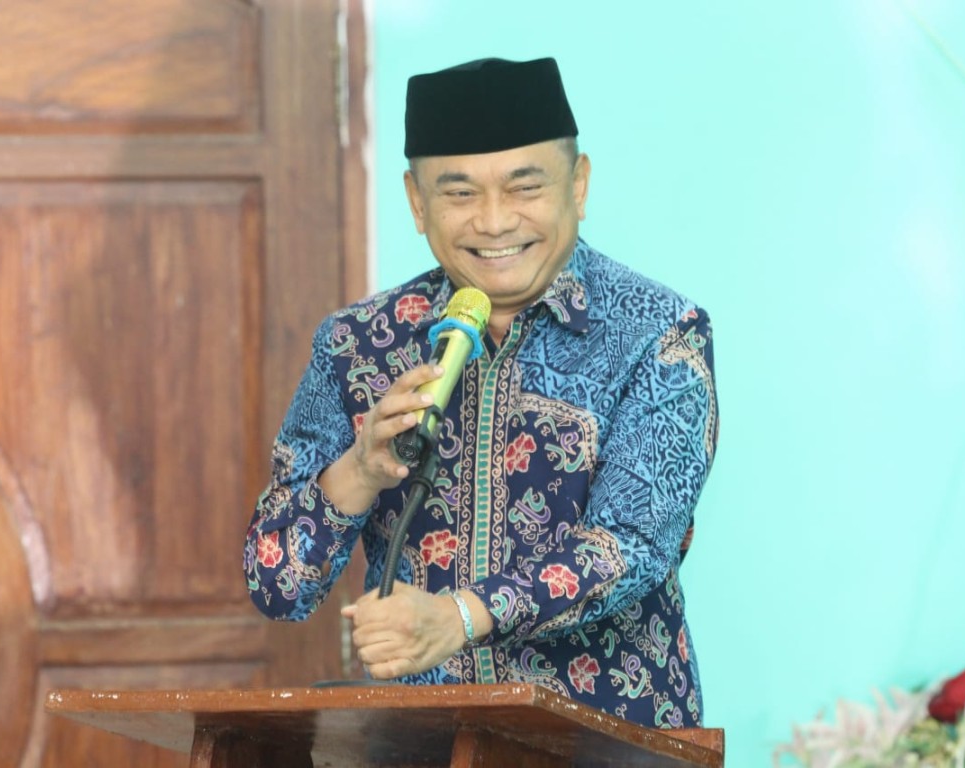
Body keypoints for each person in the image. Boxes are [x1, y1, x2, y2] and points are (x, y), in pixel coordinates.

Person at [244, 56, 718, 729]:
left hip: (610, 739)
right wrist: (360, 470)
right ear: (417, 203)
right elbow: (277, 586)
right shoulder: (358, 343)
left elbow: (633, 545)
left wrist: (460, 616)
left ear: (578, 185)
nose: (494, 222)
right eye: (460, 194)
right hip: (422, 743)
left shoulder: (657, 333)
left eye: (524, 187)